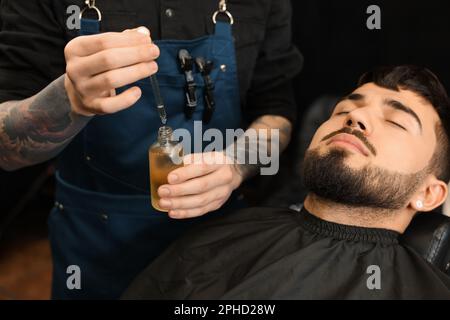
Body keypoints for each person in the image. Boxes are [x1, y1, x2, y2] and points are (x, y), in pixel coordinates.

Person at [0, 0, 302, 298]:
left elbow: (278, 111)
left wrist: (237, 164)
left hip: (215, 246)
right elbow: (6, 152)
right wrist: (67, 100)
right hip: (94, 245)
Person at [123, 65, 450, 299]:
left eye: (396, 122)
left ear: (429, 193)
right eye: (342, 111)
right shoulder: (227, 232)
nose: (355, 117)